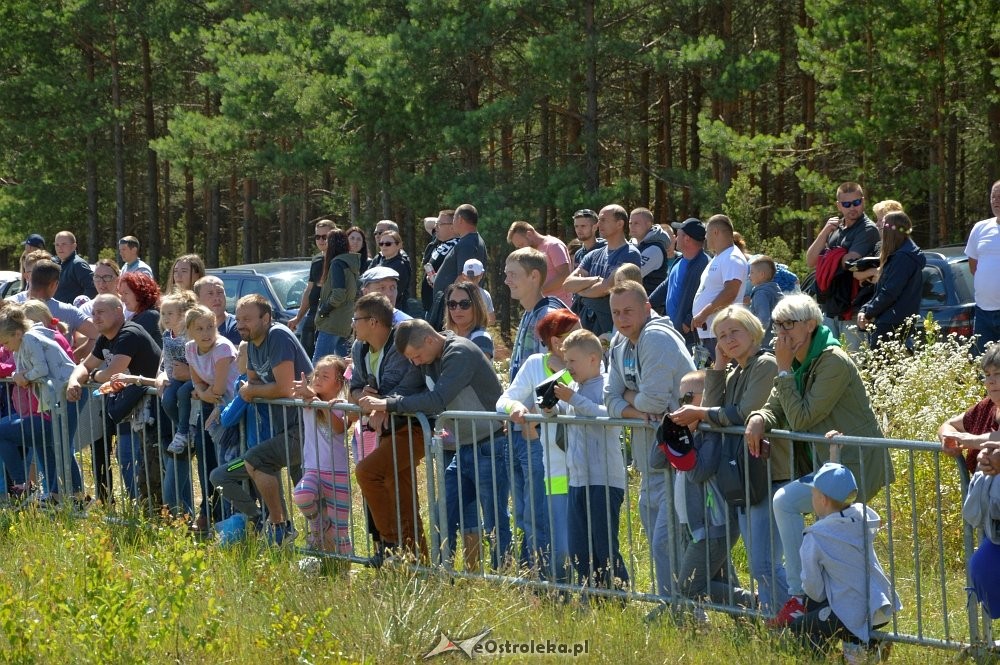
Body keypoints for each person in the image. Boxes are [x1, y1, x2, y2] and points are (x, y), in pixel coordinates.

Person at [745, 294, 893, 627]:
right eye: (777, 325)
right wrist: (758, 417)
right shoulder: (798, 360)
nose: (781, 333)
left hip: (854, 467)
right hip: (829, 467)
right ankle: (804, 596)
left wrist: (782, 370)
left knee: (848, 547)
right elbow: (776, 408)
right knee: (786, 502)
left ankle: (869, 619)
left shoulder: (832, 360)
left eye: (789, 324)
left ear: (811, 325)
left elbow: (802, 418)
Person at [358, 319, 511, 569]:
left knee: (495, 519)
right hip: (460, 449)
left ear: (430, 340)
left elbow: (438, 399)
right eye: (411, 359)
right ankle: (443, 575)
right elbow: (405, 390)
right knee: (443, 515)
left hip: (489, 446)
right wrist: (383, 403)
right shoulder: (427, 358)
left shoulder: (459, 352)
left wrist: (387, 405)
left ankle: (501, 575)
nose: (415, 363)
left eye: (416, 356)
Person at [669, 305, 790, 614]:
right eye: (721, 335)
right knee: (759, 562)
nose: (728, 339)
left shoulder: (765, 364)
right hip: (743, 475)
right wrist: (719, 368)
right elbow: (713, 413)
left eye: (734, 331)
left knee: (764, 561)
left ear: (752, 330)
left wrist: (699, 413)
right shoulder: (736, 371)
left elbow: (743, 413)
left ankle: (788, 619)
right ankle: (774, 617)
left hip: (767, 472)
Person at [604, 280, 695, 598]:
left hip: (678, 462)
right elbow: (608, 398)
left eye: (629, 310)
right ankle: (675, 606)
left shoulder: (656, 336)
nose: (622, 318)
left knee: (668, 542)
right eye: (616, 312)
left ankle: (683, 610)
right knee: (662, 541)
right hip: (649, 460)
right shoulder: (619, 341)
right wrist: (634, 408)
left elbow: (654, 403)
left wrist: (628, 398)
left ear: (646, 308)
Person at [209, 295, 313, 546]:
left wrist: (251, 392)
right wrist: (249, 390)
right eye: (239, 318)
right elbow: (251, 383)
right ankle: (258, 519)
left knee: (308, 492)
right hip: (276, 438)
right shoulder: (253, 343)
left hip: (302, 429)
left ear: (266, 318)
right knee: (223, 474)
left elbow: (285, 388)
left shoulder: (277, 336)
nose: (240, 324)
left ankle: (287, 530)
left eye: (247, 319)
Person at [496, 310, 579, 580]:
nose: (584, 337)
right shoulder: (534, 365)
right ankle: (552, 592)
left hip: (582, 470)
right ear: (557, 342)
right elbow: (503, 400)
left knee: (579, 543)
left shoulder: (588, 364)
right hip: (550, 472)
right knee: (556, 546)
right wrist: (518, 407)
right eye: (575, 334)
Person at [789, 462, 900, 663]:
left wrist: (822, 598)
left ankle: (836, 657)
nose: (811, 498)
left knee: (800, 626)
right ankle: (866, 647)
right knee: (827, 613)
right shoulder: (863, 516)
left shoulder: (816, 536)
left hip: (854, 611)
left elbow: (813, 588)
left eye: (813, 494)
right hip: (880, 605)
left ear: (822, 500)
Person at [665, 370, 754, 617]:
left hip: (713, 526)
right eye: (679, 399)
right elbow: (655, 461)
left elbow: (698, 473)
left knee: (688, 586)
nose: (680, 406)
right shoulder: (688, 432)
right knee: (723, 582)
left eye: (687, 399)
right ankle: (752, 621)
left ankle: (759, 603)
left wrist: (688, 438)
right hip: (692, 524)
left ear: (706, 400)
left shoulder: (711, 434)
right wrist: (668, 431)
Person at [347, 294, 426, 565]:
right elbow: (354, 388)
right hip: (387, 431)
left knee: (367, 473)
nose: (353, 324)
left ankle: (389, 543)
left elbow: (409, 384)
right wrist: (362, 397)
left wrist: (382, 404)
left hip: (412, 426)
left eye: (356, 319)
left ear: (373, 321)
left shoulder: (399, 343)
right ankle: (419, 564)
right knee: (404, 497)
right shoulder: (360, 348)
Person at [551, 328, 629, 591]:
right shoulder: (573, 387)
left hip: (605, 479)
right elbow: (566, 411)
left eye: (573, 361)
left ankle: (617, 595)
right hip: (577, 478)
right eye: (566, 361)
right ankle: (591, 593)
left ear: (593, 359)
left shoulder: (608, 385)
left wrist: (573, 399)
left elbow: (606, 416)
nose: (568, 367)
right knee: (579, 546)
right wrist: (550, 407)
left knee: (604, 544)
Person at [66, 294, 162, 503]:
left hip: (151, 410)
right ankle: (136, 506)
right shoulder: (105, 337)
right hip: (129, 409)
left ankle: (146, 508)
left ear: (118, 311)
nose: (95, 318)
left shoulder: (130, 334)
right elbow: (84, 365)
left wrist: (93, 376)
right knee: (125, 456)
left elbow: (111, 372)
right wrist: (75, 380)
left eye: (100, 312)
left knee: (138, 458)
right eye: (93, 313)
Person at [0, 304, 86, 505]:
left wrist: (23, 377)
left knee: (61, 443)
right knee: (55, 443)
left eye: (5, 341)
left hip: (66, 395)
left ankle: (26, 484)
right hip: (56, 399)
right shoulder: (26, 339)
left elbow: (40, 368)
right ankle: (68, 497)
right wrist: (18, 375)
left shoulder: (29, 338)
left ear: (18, 333)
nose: (5, 347)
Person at [805, 182, 880, 351]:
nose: (852, 208)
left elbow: (850, 262)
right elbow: (810, 260)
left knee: (854, 365)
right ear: (838, 206)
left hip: (853, 311)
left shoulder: (868, 229)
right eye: (846, 204)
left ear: (863, 201)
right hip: (830, 309)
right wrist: (825, 231)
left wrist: (826, 257)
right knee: (831, 363)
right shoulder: (835, 229)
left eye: (856, 202)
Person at [292, 354, 354, 555]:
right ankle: (318, 526)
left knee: (340, 530)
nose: (317, 379)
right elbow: (299, 395)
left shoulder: (340, 404)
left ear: (338, 384)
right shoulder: (307, 401)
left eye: (325, 376)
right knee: (302, 495)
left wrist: (322, 404)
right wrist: (310, 396)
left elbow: (338, 429)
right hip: (313, 467)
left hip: (337, 471)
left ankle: (344, 568)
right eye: (316, 374)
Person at [563, 204, 641, 336]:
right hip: (586, 323)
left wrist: (580, 289)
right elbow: (568, 284)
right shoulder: (593, 255)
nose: (599, 224)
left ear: (619, 224)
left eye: (604, 220)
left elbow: (606, 287)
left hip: (611, 327)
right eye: (599, 220)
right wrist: (596, 279)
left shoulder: (629, 254)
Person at [857, 211, 926, 348]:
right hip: (890, 324)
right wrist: (864, 310)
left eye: (881, 224)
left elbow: (889, 293)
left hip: (891, 325)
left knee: (882, 368)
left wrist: (868, 313)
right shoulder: (900, 255)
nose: (877, 226)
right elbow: (881, 291)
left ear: (891, 230)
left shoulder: (903, 258)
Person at [691, 214, 748, 359]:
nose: (705, 238)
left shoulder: (732, 258)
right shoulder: (720, 257)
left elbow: (731, 292)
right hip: (712, 332)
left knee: (722, 377)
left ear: (715, 232)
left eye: (707, 233)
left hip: (723, 333)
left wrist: (704, 313)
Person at [938, 344, 1000, 473]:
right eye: (987, 374)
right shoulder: (986, 407)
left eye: (998, 373)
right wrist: (948, 439)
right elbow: (948, 425)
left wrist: (968, 440)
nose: (990, 381)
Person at [649, 218, 709, 348]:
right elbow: (667, 284)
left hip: (689, 337)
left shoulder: (704, 265)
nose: (675, 239)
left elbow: (707, 295)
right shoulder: (680, 260)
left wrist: (687, 321)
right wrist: (648, 303)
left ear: (687, 239)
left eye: (679, 235)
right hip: (674, 332)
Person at [26, 260, 99, 362]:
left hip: (19, 375)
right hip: (60, 375)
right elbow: (98, 334)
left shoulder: (14, 307)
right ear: (54, 284)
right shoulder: (68, 311)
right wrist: (72, 358)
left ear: (29, 279)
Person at [429, 204, 487, 329]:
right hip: (455, 308)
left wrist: (452, 303)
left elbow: (465, 278)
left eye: (454, 219)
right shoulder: (470, 240)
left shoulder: (468, 243)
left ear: (460, 219)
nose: (453, 223)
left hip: (455, 310)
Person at [155, 290, 198, 457]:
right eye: (163, 313)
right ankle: (184, 430)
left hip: (192, 376)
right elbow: (165, 358)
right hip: (174, 377)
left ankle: (183, 432)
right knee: (167, 399)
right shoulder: (167, 335)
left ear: (182, 315)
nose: (165, 317)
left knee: (182, 393)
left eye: (170, 313)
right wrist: (163, 373)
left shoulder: (190, 334)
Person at [288, 219, 337, 358]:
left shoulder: (340, 261)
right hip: (312, 316)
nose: (321, 240)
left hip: (331, 319)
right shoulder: (316, 260)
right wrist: (298, 317)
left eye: (325, 236)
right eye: (317, 237)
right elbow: (309, 290)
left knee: (326, 362)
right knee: (307, 360)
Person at [313, 229, 360, 362]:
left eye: (327, 240)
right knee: (343, 364)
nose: (324, 243)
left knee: (319, 362)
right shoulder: (350, 263)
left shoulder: (337, 264)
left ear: (332, 245)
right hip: (345, 320)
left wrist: (323, 311)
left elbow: (338, 295)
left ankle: (313, 384)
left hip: (332, 322)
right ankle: (349, 383)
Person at [965, 180, 1000, 355]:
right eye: (993, 196)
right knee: (983, 365)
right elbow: (973, 266)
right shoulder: (980, 228)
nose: (996, 201)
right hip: (983, 312)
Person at [506, 220, 572, 305]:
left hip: (559, 305)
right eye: (518, 247)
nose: (521, 249)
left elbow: (565, 276)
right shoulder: (530, 252)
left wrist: (536, 290)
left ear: (529, 234)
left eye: (521, 244)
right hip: (540, 304)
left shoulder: (553, 246)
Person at [442, 281, 494, 359]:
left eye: (464, 304)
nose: (457, 310)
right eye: (452, 304)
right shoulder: (448, 337)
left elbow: (477, 370)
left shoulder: (481, 338)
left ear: (476, 307)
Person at [422, 210, 458, 318]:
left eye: (439, 224)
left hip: (442, 308)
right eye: (436, 224)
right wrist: (441, 221)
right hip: (430, 306)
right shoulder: (438, 240)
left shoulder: (458, 245)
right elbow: (427, 222)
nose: (435, 227)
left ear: (453, 226)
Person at [628, 207, 672, 295]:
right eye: (630, 223)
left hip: (650, 305)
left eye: (636, 223)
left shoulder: (654, 249)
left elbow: (631, 276)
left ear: (648, 225)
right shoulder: (632, 245)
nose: (632, 226)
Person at [368, 230, 411, 311]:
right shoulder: (379, 259)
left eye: (388, 244)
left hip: (392, 309)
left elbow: (394, 292)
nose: (384, 246)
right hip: (377, 306)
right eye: (381, 243)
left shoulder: (400, 265)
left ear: (399, 245)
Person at [194, 275, 241, 347]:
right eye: (210, 293)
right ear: (197, 299)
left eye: (220, 292)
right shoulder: (192, 328)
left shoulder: (237, 326)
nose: (217, 298)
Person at [747, 255, 783, 348]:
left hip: (765, 342)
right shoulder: (774, 289)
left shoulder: (761, 294)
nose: (749, 275)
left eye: (752, 272)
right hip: (776, 338)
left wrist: (755, 338)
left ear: (762, 274)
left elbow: (763, 319)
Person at [119, 271, 162, 348]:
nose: (122, 299)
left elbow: (125, 344)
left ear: (140, 292)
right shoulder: (139, 315)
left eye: (126, 293)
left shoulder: (150, 316)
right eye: (121, 294)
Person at [52, 231, 96, 303]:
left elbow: (92, 288)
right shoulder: (58, 264)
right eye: (57, 245)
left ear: (74, 246)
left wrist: (80, 307)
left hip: (71, 313)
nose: (60, 247)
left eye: (64, 244)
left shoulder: (78, 264)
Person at [459, 259, 495, 325]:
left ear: (463, 275)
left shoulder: (456, 293)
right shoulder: (486, 294)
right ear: (481, 275)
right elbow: (492, 320)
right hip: (479, 333)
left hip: (459, 333)